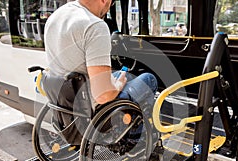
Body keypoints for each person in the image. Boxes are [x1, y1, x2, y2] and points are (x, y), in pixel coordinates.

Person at [43, 0, 157, 145]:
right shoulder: (95, 26)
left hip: (68, 101)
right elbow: (103, 96)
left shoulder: (56, 17)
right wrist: (118, 86)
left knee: (124, 76)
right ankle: (133, 139)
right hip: (95, 111)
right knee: (148, 79)